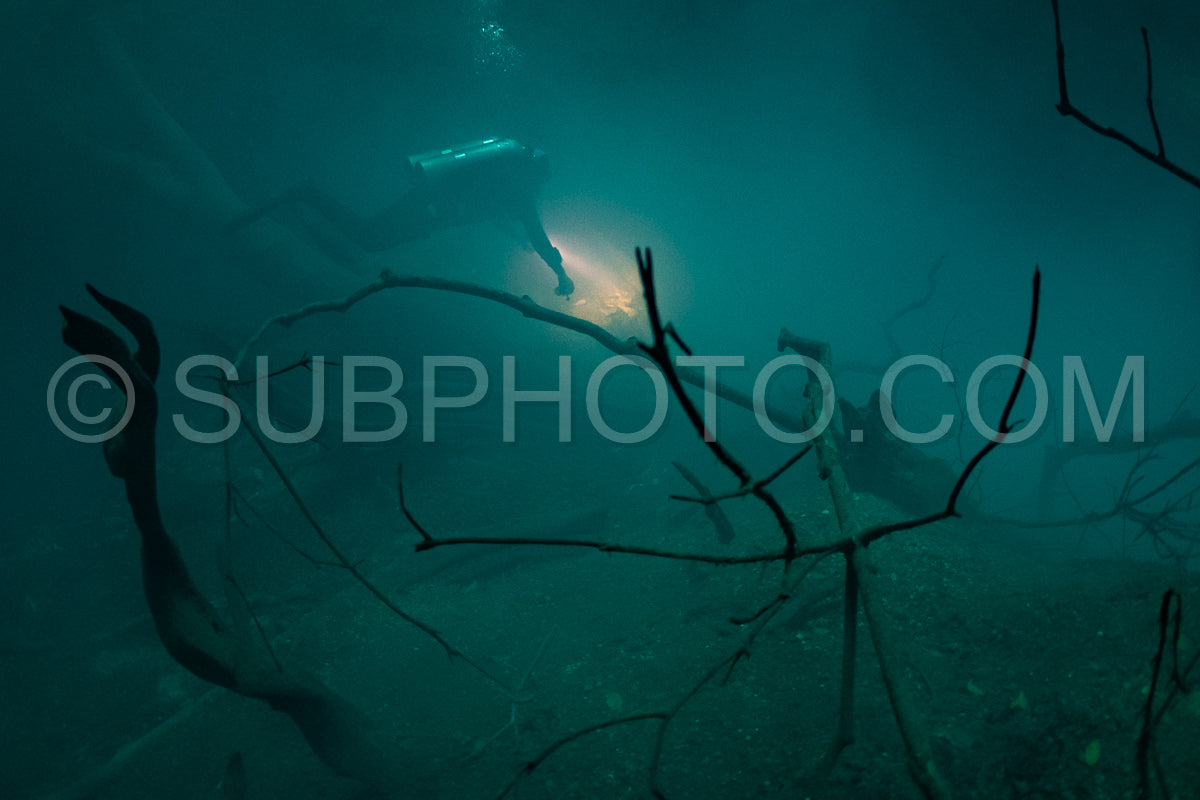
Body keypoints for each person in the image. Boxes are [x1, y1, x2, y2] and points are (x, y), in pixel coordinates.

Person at [229, 137, 575, 296]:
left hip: (428, 203)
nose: (543, 185)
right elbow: (537, 233)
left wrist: (518, 241)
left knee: (369, 240)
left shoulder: (503, 182)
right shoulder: (519, 192)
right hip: (429, 211)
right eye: (544, 179)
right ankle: (308, 195)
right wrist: (560, 273)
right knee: (368, 238)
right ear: (535, 175)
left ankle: (305, 204)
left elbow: (495, 216)